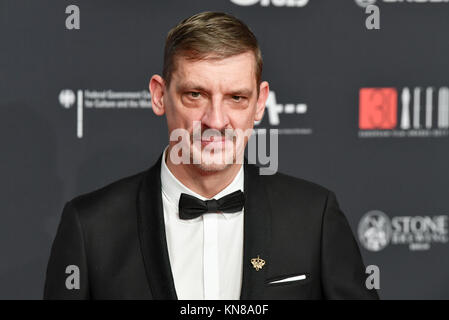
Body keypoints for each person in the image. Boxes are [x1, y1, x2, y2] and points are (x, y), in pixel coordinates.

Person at [44, 11, 379, 300]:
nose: (216, 121)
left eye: (236, 97)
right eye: (195, 94)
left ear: (260, 103)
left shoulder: (313, 218)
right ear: (160, 96)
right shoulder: (91, 228)